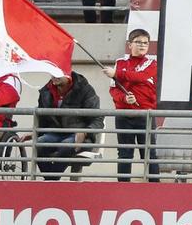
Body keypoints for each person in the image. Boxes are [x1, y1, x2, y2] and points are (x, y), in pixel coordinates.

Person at [104, 28, 158, 183]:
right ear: (129, 44)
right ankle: (122, 187)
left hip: (145, 114)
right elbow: (113, 90)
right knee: (124, 153)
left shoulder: (151, 63)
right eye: (138, 42)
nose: (142, 46)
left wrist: (117, 74)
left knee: (148, 153)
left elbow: (141, 77)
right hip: (124, 115)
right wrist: (123, 99)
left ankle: (156, 188)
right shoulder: (120, 63)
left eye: (145, 43)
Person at [32, 69, 102, 179]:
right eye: (52, 73)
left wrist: (85, 133)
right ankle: (52, 181)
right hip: (54, 133)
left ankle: (51, 182)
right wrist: (35, 132)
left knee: (66, 145)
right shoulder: (46, 91)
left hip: (79, 134)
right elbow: (43, 119)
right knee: (39, 144)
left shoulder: (85, 89)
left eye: (58, 73)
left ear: (68, 74)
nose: (54, 76)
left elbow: (97, 119)